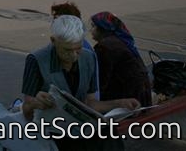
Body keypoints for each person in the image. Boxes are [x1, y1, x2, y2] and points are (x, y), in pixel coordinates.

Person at [21, 15, 140, 150]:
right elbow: (26, 110)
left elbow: (89, 103)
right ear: (53, 41)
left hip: (79, 125)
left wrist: (119, 104)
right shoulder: (36, 60)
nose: (73, 56)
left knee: (107, 132)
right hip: (52, 129)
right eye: (67, 50)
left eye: (77, 49)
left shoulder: (88, 57)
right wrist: (36, 103)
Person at [90, 12, 152, 107]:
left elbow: (101, 80)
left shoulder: (105, 47)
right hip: (142, 95)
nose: (91, 30)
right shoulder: (121, 40)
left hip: (128, 99)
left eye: (93, 26)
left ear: (102, 28)